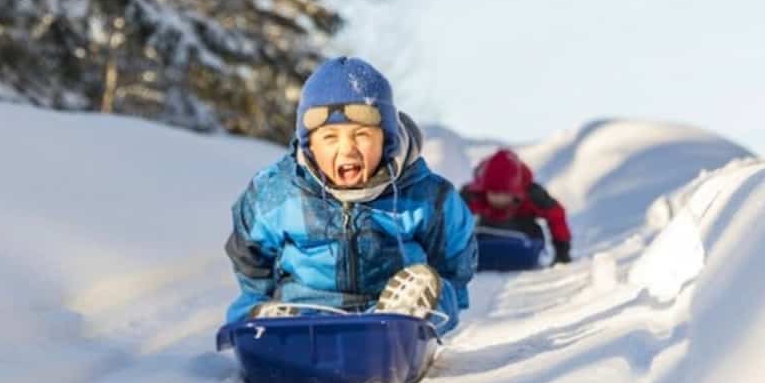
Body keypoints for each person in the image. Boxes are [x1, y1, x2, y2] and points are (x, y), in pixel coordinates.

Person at [224, 56, 476, 332]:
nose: (347, 150)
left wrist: (446, 294)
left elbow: (455, 254)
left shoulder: (426, 195)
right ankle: (272, 326)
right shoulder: (280, 192)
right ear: (310, 146)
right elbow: (248, 248)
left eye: (362, 135)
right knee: (267, 312)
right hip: (307, 307)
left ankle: (405, 324)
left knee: (432, 297)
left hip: (389, 307)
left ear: (387, 141)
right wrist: (259, 294)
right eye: (330, 137)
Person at [461, 149, 573, 264]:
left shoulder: (532, 194)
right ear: (484, 189)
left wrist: (562, 251)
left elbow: (556, 214)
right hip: (486, 237)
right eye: (494, 193)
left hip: (524, 240)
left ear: (515, 192)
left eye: (504, 194)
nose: (499, 199)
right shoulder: (473, 195)